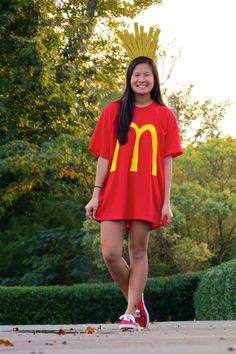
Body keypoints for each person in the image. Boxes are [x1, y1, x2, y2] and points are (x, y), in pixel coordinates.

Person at [85, 55, 183, 331]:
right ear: (129, 78)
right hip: (115, 190)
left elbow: (167, 161)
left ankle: (130, 312)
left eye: (147, 75)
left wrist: (166, 202)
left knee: (138, 251)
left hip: (146, 191)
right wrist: (96, 194)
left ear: (154, 80)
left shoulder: (165, 116)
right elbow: (104, 156)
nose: (141, 79)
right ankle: (138, 303)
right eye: (137, 74)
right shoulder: (113, 111)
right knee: (110, 252)